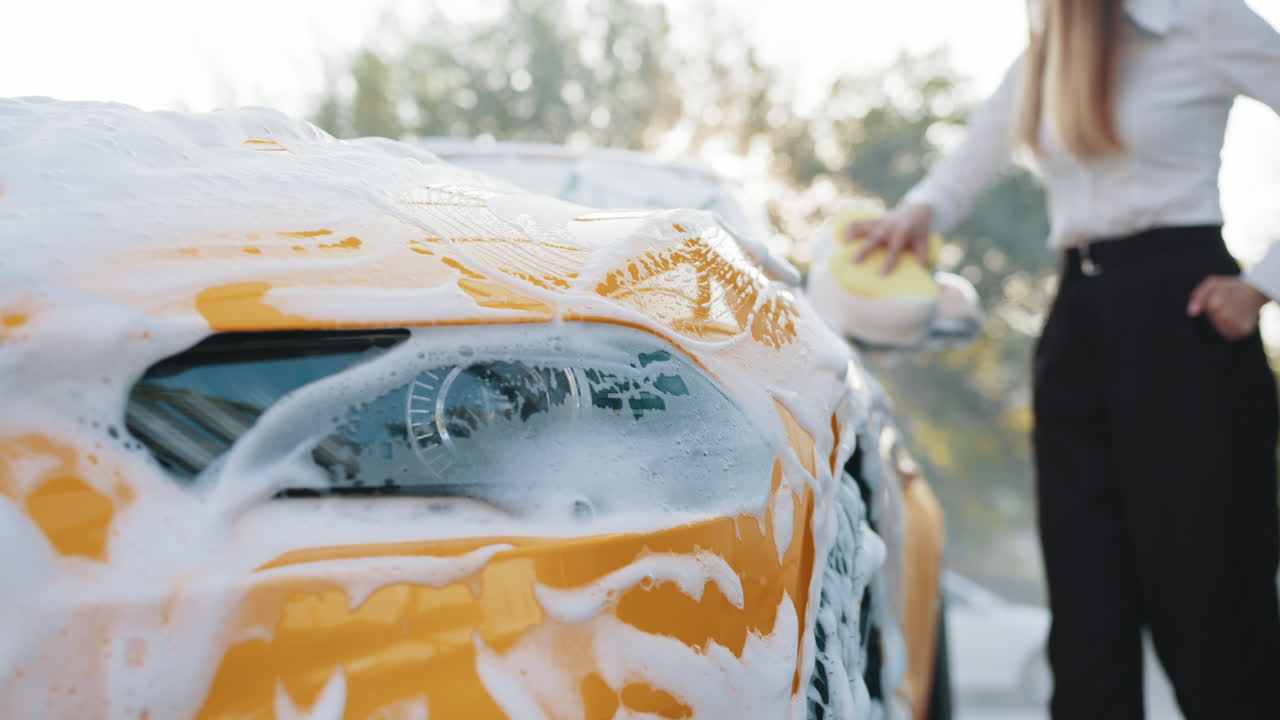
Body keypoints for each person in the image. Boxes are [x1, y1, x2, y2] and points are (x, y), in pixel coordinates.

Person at [846, 0, 1280, 717]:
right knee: (1087, 614)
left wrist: (1263, 285)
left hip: (1188, 323)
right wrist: (914, 216)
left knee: (1213, 608)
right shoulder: (1057, 42)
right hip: (1077, 325)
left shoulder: (1200, 19)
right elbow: (969, 160)